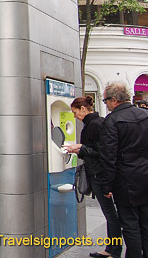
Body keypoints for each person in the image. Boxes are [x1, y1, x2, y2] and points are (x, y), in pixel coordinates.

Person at [63, 96, 122, 258]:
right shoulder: (97, 123)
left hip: (99, 174)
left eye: (75, 112)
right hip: (101, 172)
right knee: (111, 214)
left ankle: (113, 250)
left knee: (110, 214)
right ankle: (111, 249)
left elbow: (101, 152)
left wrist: (80, 149)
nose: (74, 116)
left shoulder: (94, 125)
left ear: (83, 109)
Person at [100, 81, 148, 258]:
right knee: (145, 224)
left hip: (125, 181)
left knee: (130, 225)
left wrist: (106, 186)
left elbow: (108, 157)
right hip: (145, 176)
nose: (106, 104)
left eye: (105, 101)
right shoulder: (145, 115)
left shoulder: (112, 121)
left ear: (114, 100)